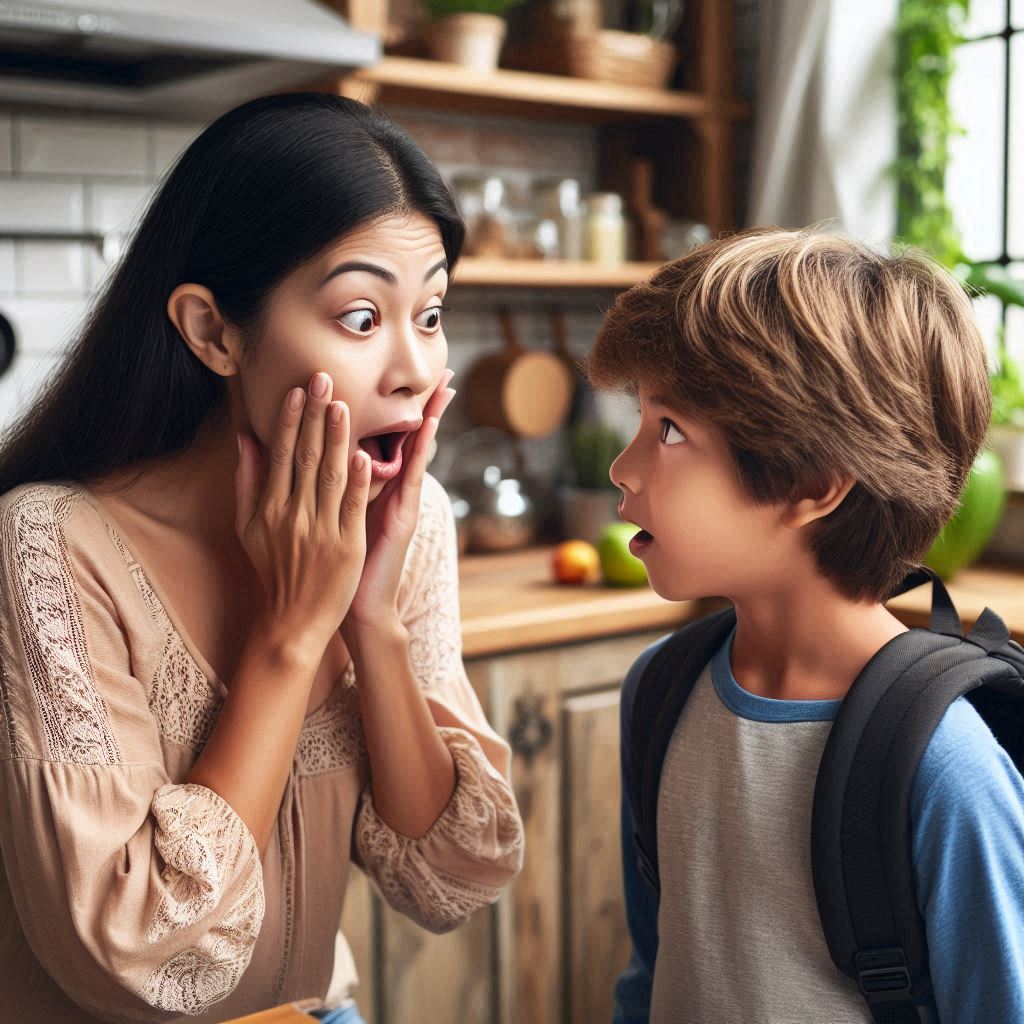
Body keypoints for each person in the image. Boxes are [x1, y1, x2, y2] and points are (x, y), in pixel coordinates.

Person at [0, 93, 524, 1023]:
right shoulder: (48, 546)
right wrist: (290, 637)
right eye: (362, 318)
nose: (415, 369)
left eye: (433, 312)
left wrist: (370, 618)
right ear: (214, 332)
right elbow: (139, 951)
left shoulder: (413, 523)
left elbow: (450, 877)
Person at [586, 227, 1024, 1023]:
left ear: (814, 482)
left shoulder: (946, 769)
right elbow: (654, 970)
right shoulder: (660, 689)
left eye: (670, 430)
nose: (624, 467)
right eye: (640, 420)